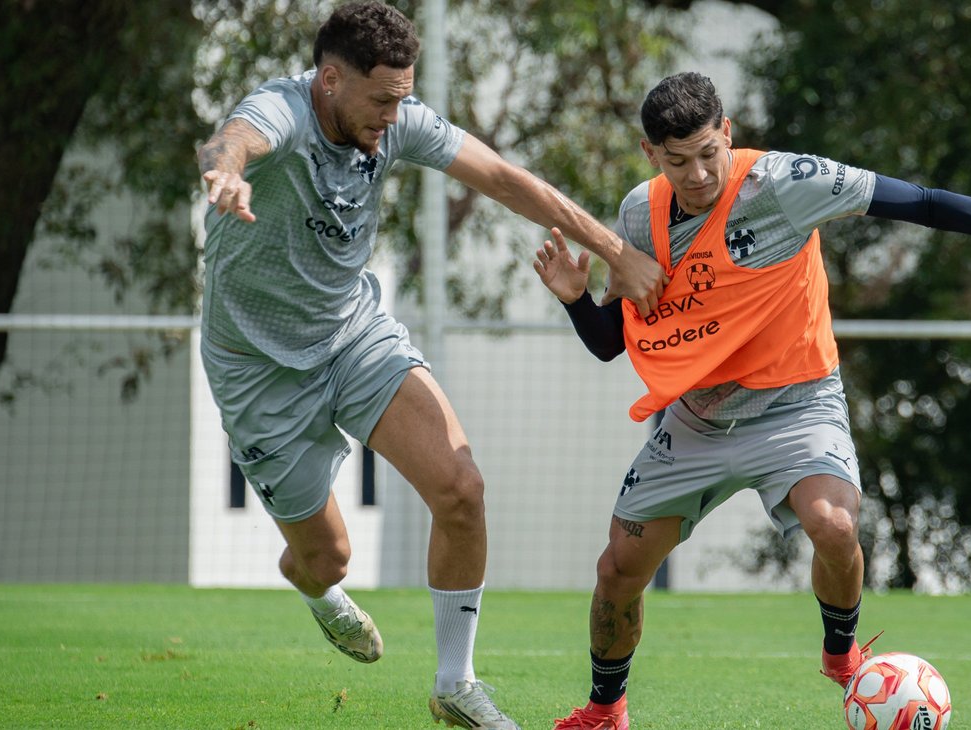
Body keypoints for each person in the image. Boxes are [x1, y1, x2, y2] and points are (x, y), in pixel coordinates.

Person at [533, 71, 971, 729]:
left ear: (727, 133)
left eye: (709, 152)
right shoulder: (638, 217)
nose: (698, 173)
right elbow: (612, 343)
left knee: (836, 525)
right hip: (696, 422)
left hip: (796, 406)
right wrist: (573, 297)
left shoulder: (788, 184)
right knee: (617, 570)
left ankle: (843, 658)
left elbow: (921, 202)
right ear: (652, 155)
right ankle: (604, 710)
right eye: (678, 161)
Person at [196, 4, 667, 729]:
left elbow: (508, 180)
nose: (395, 113)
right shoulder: (282, 110)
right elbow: (235, 139)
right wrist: (228, 174)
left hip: (353, 336)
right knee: (329, 559)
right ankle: (310, 582)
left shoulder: (398, 119)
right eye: (381, 98)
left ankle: (455, 685)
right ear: (329, 80)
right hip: (257, 368)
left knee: (462, 489)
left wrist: (615, 251)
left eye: (403, 96)